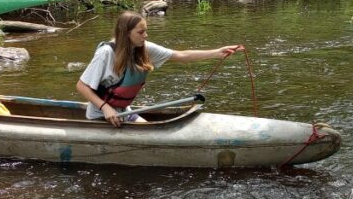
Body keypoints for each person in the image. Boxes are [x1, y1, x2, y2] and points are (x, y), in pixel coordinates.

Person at [75, 11, 242, 127]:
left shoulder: (144, 47)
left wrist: (217, 52)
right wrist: (105, 108)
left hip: (124, 112)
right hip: (101, 117)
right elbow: (81, 86)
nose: (145, 36)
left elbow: (181, 56)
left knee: (148, 129)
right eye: (141, 32)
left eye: (146, 31)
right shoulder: (106, 53)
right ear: (126, 33)